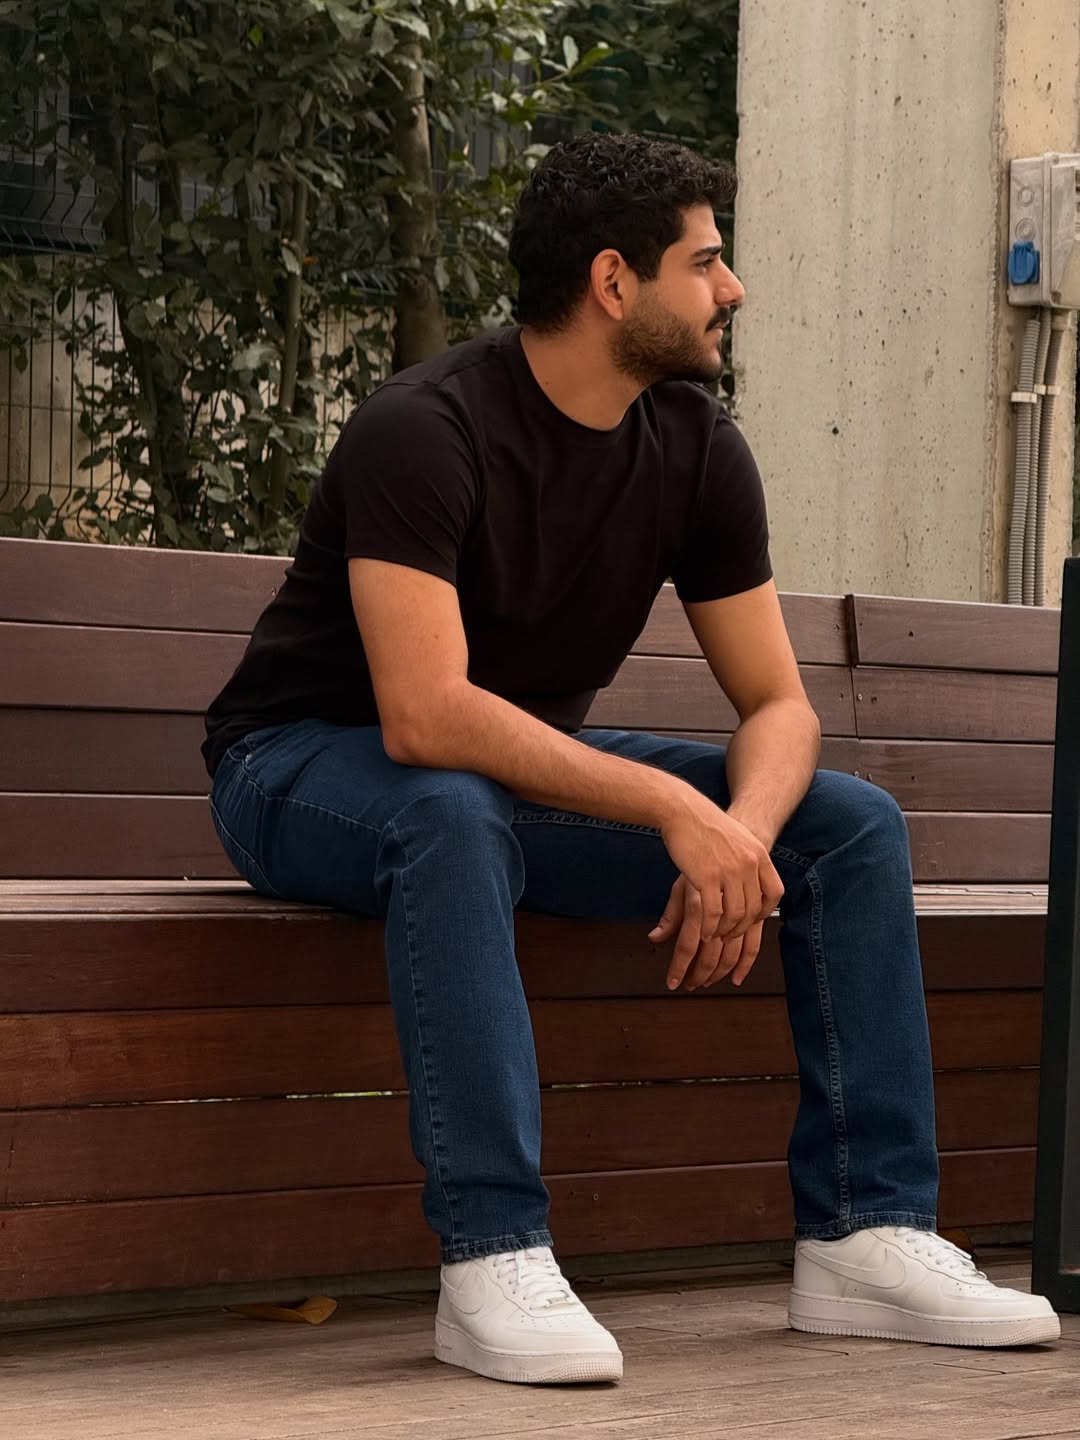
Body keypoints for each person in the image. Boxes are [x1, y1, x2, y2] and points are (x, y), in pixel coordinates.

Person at [203, 132, 1060, 1385]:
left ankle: (866, 1234)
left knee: (848, 825)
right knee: (447, 813)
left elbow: (777, 706)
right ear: (615, 281)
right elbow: (424, 717)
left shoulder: (695, 446)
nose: (733, 287)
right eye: (706, 261)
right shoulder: (423, 430)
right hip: (299, 767)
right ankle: (493, 1255)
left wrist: (742, 836)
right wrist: (671, 805)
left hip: (499, 776)